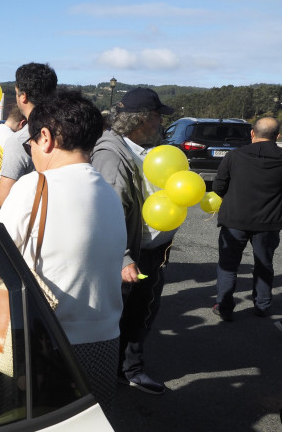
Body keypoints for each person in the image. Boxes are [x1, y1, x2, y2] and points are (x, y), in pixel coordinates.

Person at [0, 90, 126, 413]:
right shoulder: (109, 193)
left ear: (46, 138)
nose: (32, 153)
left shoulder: (35, 186)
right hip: (107, 342)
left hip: (50, 342)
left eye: (31, 145)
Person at [91, 87, 176, 395]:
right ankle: (127, 371)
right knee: (132, 314)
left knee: (141, 311)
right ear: (141, 119)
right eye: (157, 116)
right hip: (132, 258)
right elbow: (106, 213)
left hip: (150, 251)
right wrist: (125, 257)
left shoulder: (139, 150)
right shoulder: (112, 155)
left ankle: (124, 368)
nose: (160, 122)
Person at [211, 117, 282, 321]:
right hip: (268, 222)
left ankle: (224, 307)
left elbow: (218, 186)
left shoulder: (235, 156)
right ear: (277, 136)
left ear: (252, 133)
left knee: (228, 265)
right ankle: (262, 304)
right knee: (264, 263)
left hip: (234, 219)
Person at [0, 62, 58, 209]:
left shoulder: (19, 140)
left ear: (23, 97)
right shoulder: (68, 131)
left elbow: (3, 198)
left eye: (16, 93)